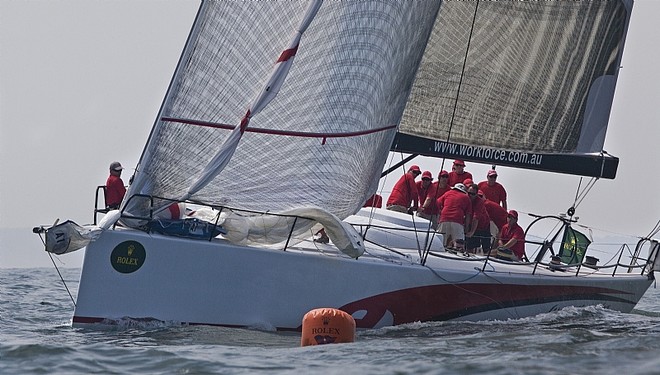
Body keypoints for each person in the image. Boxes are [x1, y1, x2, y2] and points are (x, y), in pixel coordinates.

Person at [436, 183, 472, 248]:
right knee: (459, 244)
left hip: (444, 219)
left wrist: (441, 211)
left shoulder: (447, 193)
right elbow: (468, 215)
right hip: (457, 220)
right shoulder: (466, 197)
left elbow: (438, 202)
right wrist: (466, 228)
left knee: (439, 241)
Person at [465, 184, 491, 254]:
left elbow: (475, 217)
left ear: (476, 194)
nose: (470, 195)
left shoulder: (479, 202)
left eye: (472, 194)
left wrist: (472, 232)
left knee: (486, 248)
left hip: (484, 226)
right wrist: (467, 229)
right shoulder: (465, 199)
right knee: (469, 245)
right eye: (469, 193)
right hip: (472, 224)